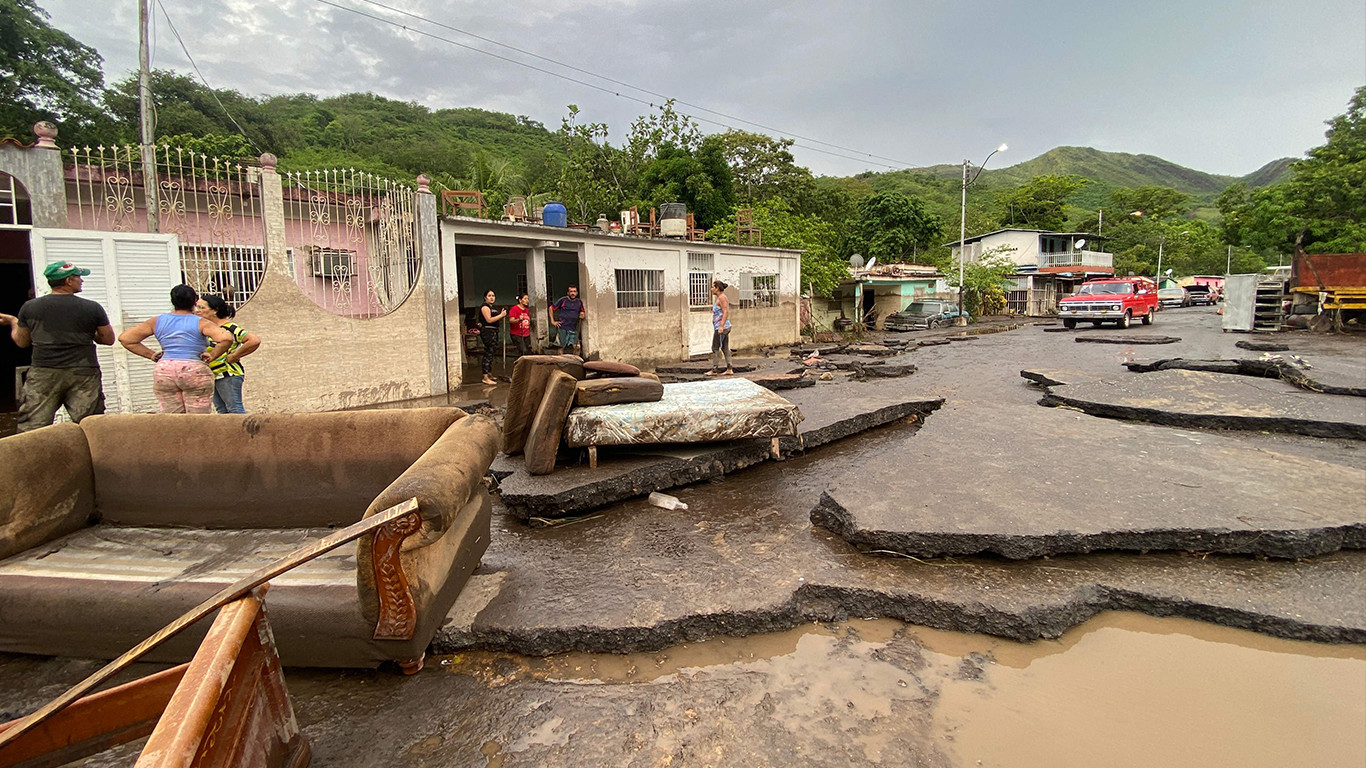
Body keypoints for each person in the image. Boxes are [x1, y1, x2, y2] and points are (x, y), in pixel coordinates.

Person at [0, 261, 115, 431]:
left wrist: (13, 321)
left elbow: (22, 342)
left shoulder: (30, 307)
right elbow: (108, 339)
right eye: (78, 277)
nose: (81, 281)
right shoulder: (92, 308)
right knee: (90, 425)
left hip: (44, 372)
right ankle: (91, 457)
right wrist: (86, 332)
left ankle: (35, 457)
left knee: (34, 426)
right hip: (83, 372)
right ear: (68, 281)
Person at [119, 285, 234, 414]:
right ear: (195, 301)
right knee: (199, 419)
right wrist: (212, 356)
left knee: (172, 419)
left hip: (164, 371)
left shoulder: (157, 321)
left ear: (172, 301)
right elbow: (226, 338)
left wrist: (151, 355)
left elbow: (126, 339)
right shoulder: (201, 322)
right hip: (194, 369)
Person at [194, 294, 261, 414]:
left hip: (228, 374)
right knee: (222, 411)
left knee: (234, 409)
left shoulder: (229, 328)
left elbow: (253, 340)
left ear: (215, 310)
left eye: (201, 308)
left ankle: (242, 433)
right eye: (196, 307)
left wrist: (235, 356)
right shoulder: (209, 328)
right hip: (213, 374)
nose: (197, 311)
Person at [477, 289, 507, 386]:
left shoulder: (491, 307)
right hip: (488, 331)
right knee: (488, 352)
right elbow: (489, 320)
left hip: (494, 331)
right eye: (489, 296)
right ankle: (485, 376)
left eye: (493, 295)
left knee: (492, 351)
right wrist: (501, 315)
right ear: (485, 297)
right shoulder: (485, 307)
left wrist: (500, 315)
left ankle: (489, 373)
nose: (492, 297)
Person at [706, 280, 734, 376]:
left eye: (713, 287)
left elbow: (725, 312)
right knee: (725, 347)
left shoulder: (722, 298)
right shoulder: (719, 298)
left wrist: (721, 326)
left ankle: (714, 369)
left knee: (715, 347)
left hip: (721, 327)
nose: (711, 289)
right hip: (721, 326)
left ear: (717, 288)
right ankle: (729, 369)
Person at [549, 285, 585, 356]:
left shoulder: (579, 302)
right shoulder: (563, 300)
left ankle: (575, 362)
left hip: (573, 328)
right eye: (571, 291)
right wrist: (552, 321)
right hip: (563, 327)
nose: (573, 293)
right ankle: (560, 362)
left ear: (577, 293)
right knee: (561, 346)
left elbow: (582, 311)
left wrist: (582, 314)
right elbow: (551, 308)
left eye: (574, 291)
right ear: (568, 293)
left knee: (577, 347)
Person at [508, 292, 532, 357]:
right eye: (525, 298)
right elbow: (511, 320)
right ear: (520, 300)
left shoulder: (527, 310)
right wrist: (518, 319)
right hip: (517, 334)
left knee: (527, 351)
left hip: (526, 334)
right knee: (522, 350)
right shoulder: (514, 309)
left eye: (528, 299)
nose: (527, 300)